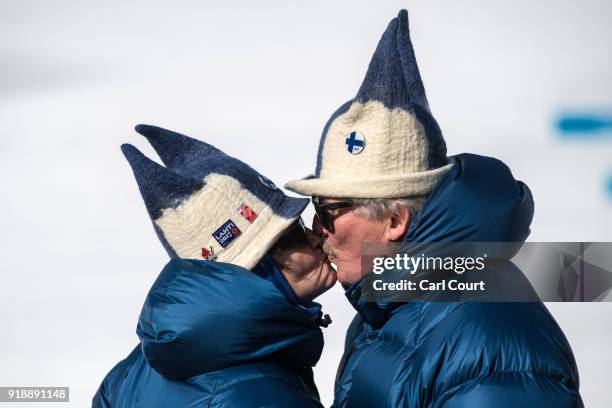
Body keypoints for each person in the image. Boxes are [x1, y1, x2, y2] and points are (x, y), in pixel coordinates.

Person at [285, 10, 584, 407]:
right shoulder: (384, 309)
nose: (319, 230)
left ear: (394, 221)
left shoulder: (485, 336)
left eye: (328, 211)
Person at [93, 124, 336, 407]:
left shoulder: (125, 379)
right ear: (253, 269)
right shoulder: (270, 398)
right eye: (293, 233)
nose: (316, 237)